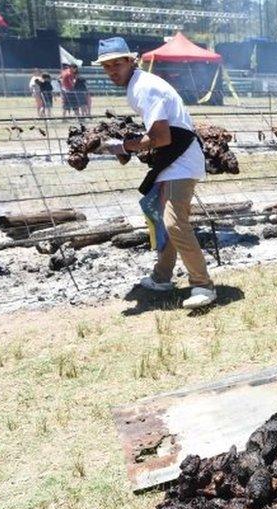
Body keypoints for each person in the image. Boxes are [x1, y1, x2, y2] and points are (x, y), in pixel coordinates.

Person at [92, 37, 216, 309]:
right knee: (166, 223)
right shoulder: (137, 86)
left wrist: (123, 146)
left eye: (117, 63)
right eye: (106, 66)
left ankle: (203, 285)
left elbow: (160, 137)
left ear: (130, 61)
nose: (112, 70)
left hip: (180, 160)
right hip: (174, 159)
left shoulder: (144, 88)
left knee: (174, 223)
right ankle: (161, 277)